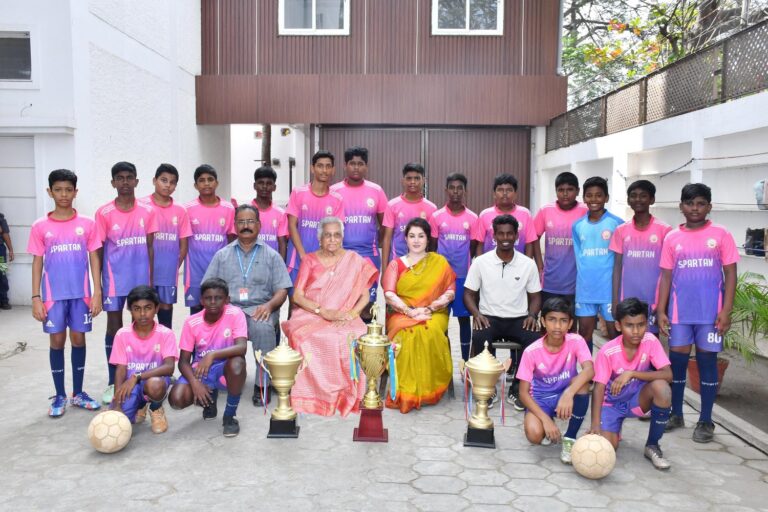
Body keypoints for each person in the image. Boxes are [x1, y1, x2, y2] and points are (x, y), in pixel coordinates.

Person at [657, 183, 739, 443]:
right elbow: (666, 277)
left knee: (707, 366)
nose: (695, 208)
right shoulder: (672, 238)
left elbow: (730, 274)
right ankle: (676, 414)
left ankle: (706, 420)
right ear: (681, 207)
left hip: (710, 317)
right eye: (690, 203)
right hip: (680, 315)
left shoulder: (721, 234)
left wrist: (725, 311)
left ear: (709, 207)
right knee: (678, 366)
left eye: (701, 203)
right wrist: (661, 310)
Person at [282, 217, 377, 416]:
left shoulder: (353, 259)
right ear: (320, 239)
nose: (332, 240)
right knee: (305, 338)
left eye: (336, 235)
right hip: (312, 314)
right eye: (327, 235)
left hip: (345, 314)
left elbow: (365, 295)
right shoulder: (309, 259)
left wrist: (352, 313)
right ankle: (314, 397)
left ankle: (347, 395)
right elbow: (297, 296)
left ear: (342, 237)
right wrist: (322, 311)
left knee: (352, 337)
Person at [27, 169, 103, 417]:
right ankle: (59, 395)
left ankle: (78, 393)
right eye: (58, 190)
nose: (63, 194)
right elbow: (37, 262)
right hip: (52, 297)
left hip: (80, 296)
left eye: (68, 190)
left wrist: (97, 292)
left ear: (75, 192)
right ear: (50, 192)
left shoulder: (87, 224)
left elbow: (94, 259)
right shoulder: (40, 226)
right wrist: (36, 298)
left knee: (78, 340)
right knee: (57, 342)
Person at [203, 204, 292, 407]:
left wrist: (269, 306)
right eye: (241, 222)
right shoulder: (222, 255)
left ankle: (263, 384)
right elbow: (208, 286)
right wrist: (221, 308)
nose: (246, 226)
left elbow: (282, 290)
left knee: (263, 327)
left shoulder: (271, 255)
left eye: (250, 221)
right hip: (230, 310)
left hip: (260, 309)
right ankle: (217, 380)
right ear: (234, 225)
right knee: (215, 328)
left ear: (259, 225)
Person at [95, 161, 158, 405]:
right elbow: (98, 250)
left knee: (140, 327)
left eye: (128, 177)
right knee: (114, 328)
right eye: (119, 178)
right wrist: (98, 285)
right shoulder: (104, 213)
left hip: (139, 279)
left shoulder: (147, 211)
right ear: (113, 183)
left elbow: (150, 247)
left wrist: (150, 281)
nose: (124, 182)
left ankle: (138, 377)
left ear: (136, 181)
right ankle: (114, 381)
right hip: (114, 280)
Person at [464, 214, 542, 410]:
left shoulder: (528, 264)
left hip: (518, 318)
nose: (505, 237)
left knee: (534, 338)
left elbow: (535, 297)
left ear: (517, 236)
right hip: (490, 318)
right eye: (501, 234)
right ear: (494, 236)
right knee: (480, 335)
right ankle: (487, 389)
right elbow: (468, 294)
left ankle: (517, 389)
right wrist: (477, 314)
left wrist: (532, 316)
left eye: (509, 233)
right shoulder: (480, 262)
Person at [589, 298, 673, 470]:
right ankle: (614, 428)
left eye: (641, 325)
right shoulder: (608, 351)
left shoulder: (650, 341)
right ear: (619, 326)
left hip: (636, 400)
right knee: (607, 449)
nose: (636, 331)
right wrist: (595, 425)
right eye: (629, 325)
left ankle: (652, 445)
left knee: (662, 388)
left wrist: (632, 373)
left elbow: (668, 374)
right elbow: (598, 388)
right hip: (611, 404)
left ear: (646, 325)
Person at [382, 218, 455, 413]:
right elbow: (389, 294)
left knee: (428, 331)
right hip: (402, 312)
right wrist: (410, 311)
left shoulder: (438, 262)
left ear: (428, 240)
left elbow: (450, 292)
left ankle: (429, 389)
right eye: (412, 236)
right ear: (405, 239)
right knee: (406, 335)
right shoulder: (396, 265)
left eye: (421, 236)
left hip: (434, 311)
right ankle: (406, 392)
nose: (416, 241)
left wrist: (429, 309)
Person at [516, 297, 594, 464]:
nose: (557, 326)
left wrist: (568, 393)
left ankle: (570, 438)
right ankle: (549, 420)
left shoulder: (576, 341)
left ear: (570, 323)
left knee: (582, 384)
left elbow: (589, 370)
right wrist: (545, 420)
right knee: (534, 436)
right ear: (543, 321)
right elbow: (523, 393)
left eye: (563, 321)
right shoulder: (531, 351)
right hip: (541, 399)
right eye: (552, 320)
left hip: (565, 395)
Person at [169, 278, 248, 437]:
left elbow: (242, 348)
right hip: (201, 370)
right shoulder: (192, 322)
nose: (213, 302)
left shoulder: (235, 313)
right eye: (208, 298)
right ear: (201, 300)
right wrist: (195, 383)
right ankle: (208, 399)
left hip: (226, 369)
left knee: (238, 364)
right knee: (177, 399)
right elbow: (183, 361)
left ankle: (229, 416)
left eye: (218, 298)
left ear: (227, 300)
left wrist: (212, 355)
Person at [330, 146, 388, 322]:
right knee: (343, 304)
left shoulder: (376, 191)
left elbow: (385, 225)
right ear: (345, 166)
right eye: (352, 163)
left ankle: (368, 348)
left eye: (360, 164)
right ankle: (345, 347)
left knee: (367, 306)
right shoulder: (334, 191)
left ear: (366, 167)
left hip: (369, 257)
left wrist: (372, 241)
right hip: (341, 257)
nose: (356, 167)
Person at [109, 286, 177, 434]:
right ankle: (139, 407)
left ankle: (156, 408)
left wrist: (137, 376)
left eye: (147, 308)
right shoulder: (122, 334)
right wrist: (118, 402)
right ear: (130, 310)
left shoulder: (166, 334)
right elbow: (120, 369)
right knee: (119, 423)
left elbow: (169, 367)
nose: (142, 314)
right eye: (137, 309)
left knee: (155, 384)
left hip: (153, 381)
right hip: (130, 385)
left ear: (157, 308)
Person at [610, 180, 672, 334]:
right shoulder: (621, 230)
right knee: (628, 341)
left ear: (652, 199)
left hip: (653, 299)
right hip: (627, 298)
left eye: (643, 196)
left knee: (650, 340)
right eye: (633, 196)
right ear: (628, 200)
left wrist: (663, 305)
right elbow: (617, 267)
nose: (638, 200)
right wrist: (615, 300)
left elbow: (668, 271)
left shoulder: (665, 230)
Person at [429, 173, 478, 362]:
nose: (456, 192)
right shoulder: (436, 217)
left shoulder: (473, 218)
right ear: (446, 190)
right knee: (441, 321)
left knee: (464, 320)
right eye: (452, 188)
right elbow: (432, 248)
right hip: (441, 279)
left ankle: (465, 362)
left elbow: (473, 248)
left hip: (463, 278)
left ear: (465, 191)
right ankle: (445, 362)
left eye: (460, 188)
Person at [572, 177, 623, 354]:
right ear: (584, 198)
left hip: (609, 291)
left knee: (614, 334)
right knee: (584, 333)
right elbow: (579, 256)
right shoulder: (577, 226)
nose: (594, 200)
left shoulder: (617, 224)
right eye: (589, 196)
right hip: (585, 290)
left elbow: (620, 259)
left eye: (598, 195)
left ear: (606, 198)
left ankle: (615, 375)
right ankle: (589, 374)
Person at [140, 164, 191, 329]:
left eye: (172, 182)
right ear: (154, 181)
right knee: (143, 311)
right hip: (144, 270)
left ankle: (165, 351)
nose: (167, 185)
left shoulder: (180, 210)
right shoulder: (141, 206)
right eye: (163, 180)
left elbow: (184, 244)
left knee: (166, 311)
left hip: (168, 271)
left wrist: (174, 267)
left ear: (175, 186)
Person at [285, 150, 344, 286]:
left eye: (328, 166)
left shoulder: (337, 199)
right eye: (320, 166)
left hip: (323, 262)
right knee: (295, 303)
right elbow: (292, 225)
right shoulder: (298, 193)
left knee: (318, 304)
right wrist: (303, 255)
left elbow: (336, 233)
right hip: (297, 261)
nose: (324, 170)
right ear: (312, 168)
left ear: (333, 170)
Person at [183, 164, 236, 314]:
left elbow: (231, 240)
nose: (206, 183)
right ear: (195, 185)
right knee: (196, 313)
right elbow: (183, 241)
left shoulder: (228, 208)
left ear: (217, 183)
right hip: (194, 273)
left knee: (221, 312)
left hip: (221, 272)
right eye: (202, 180)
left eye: (210, 179)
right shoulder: (187, 209)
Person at [533, 171, 588, 311]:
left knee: (570, 324)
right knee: (547, 322)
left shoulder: (585, 211)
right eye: (561, 190)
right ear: (556, 191)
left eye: (570, 190)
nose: (565, 194)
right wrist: (540, 265)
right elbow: (534, 238)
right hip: (550, 281)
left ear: (577, 191)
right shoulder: (546, 211)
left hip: (576, 282)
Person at [381, 163, 437, 273]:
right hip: (397, 267)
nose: (413, 182)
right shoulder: (392, 205)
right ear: (403, 181)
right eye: (409, 178)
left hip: (422, 268)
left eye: (417, 178)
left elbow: (432, 243)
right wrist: (384, 271)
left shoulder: (432, 208)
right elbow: (386, 239)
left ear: (424, 180)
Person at [473, 174, 537, 258]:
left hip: (517, 267)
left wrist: (527, 267)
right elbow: (480, 244)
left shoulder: (525, 214)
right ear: (494, 194)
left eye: (509, 190)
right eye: (500, 190)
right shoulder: (484, 215)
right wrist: (480, 266)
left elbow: (529, 244)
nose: (504, 193)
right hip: (490, 266)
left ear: (515, 194)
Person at [250, 166, 287, 259]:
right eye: (261, 183)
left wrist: (280, 267)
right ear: (254, 186)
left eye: (269, 183)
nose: (264, 186)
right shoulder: (245, 211)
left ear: (274, 187)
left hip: (272, 264)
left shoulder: (281, 213)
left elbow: (282, 243)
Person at [0, 210, 13, 310]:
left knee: (2, 273)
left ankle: (4, 301)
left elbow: (5, 234)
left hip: (0, 251)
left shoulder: (1, 218)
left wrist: (11, 250)